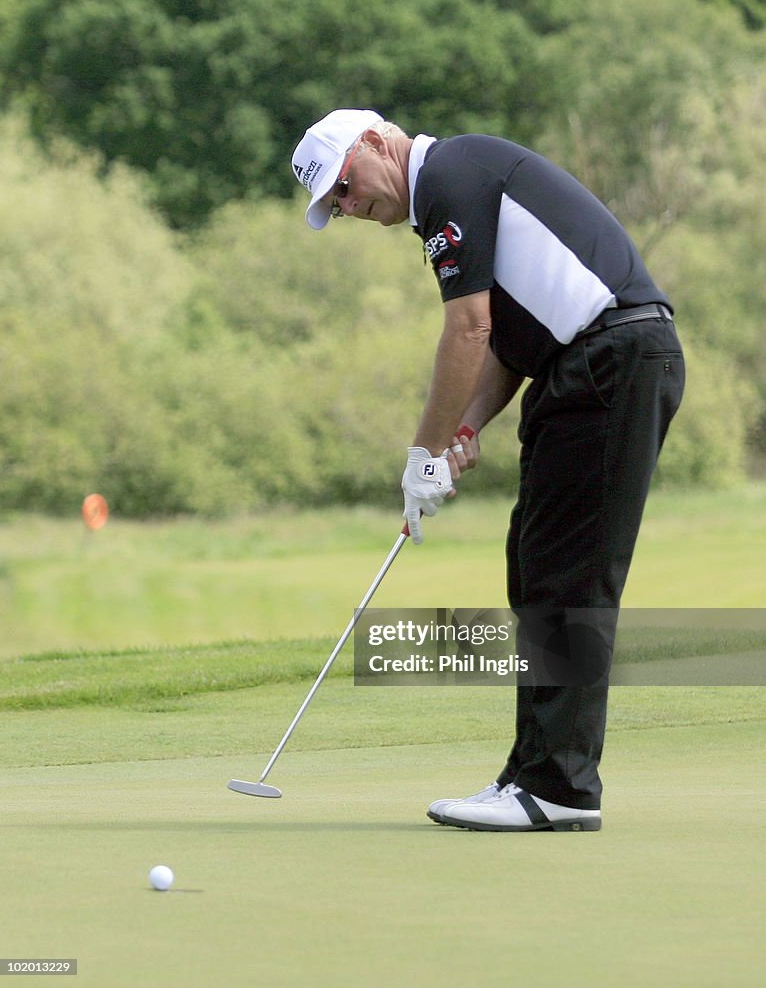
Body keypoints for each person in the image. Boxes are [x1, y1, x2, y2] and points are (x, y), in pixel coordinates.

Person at [291, 109, 684, 832]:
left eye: (344, 186)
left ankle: (560, 788)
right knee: (536, 567)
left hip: (612, 359)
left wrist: (421, 453)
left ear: (376, 143)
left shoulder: (448, 175)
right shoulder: (452, 191)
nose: (348, 208)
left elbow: (466, 328)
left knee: (568, 577)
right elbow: (501, 339)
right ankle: (533, 774)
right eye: (335, 206)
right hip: (583, 368)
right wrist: (463, 429)